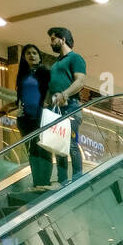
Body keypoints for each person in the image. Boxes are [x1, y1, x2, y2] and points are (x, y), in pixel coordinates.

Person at [46, 27, 87, 184]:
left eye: (53, 39)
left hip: (71, 107)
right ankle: (62, 181)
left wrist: (65, 94)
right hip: (56, 108)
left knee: (71, 144)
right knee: (59, 146)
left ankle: (77, 180)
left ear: (62, 39)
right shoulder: (56, 63)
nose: (51, 43)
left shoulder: (75, 58)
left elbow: (80, 81)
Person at [12, 44, 53, 190]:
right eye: (28, 53)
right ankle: (37, 183)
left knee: (43, 149)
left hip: (40, 116)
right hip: (24, 118)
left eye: (34, 53)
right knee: (32, 151)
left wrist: (48, 102)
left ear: (39, 56)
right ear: (24, 57)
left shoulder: (44, 72)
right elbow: (20, 96)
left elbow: (51, 90)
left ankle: (45, 182)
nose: (32, 55)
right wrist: (13, 107)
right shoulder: (23, 74)